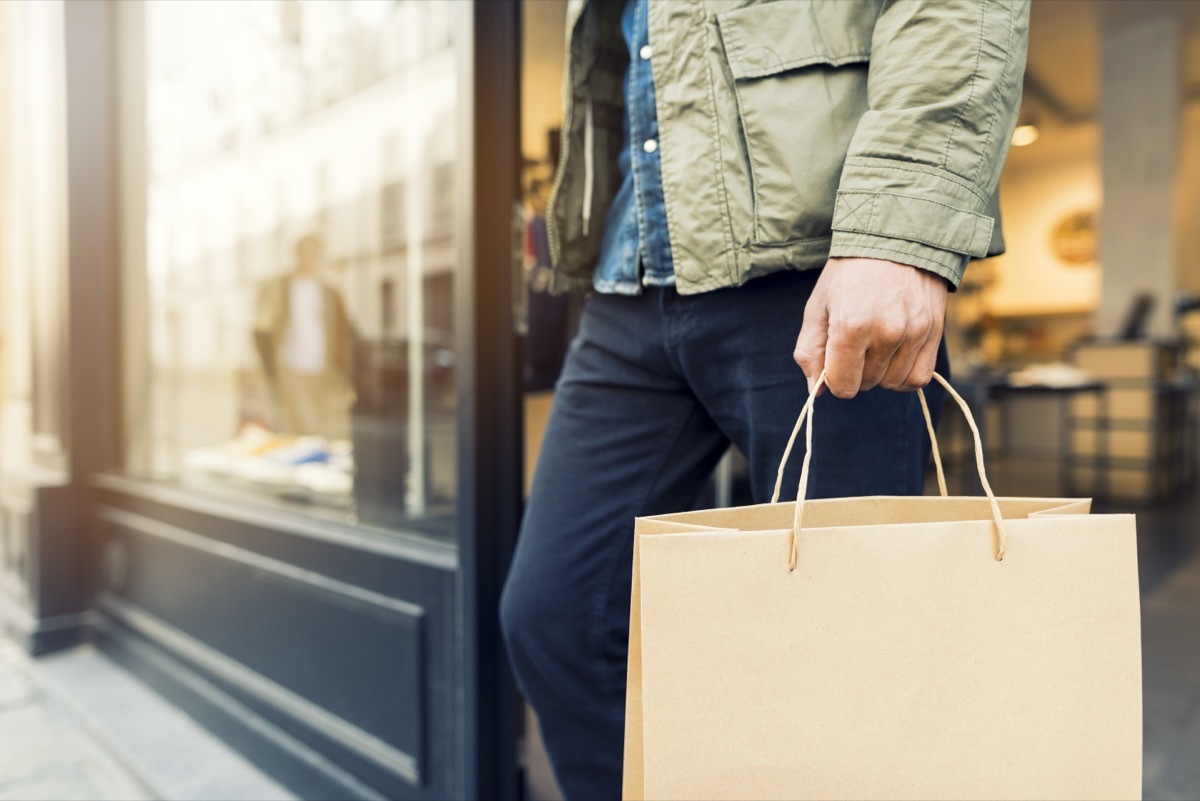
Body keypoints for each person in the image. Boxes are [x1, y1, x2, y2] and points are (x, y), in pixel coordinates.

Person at [501, 1, 1030, 798]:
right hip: (634, 271)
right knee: (556, 617)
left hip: (817, 266)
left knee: (846, 657)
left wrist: (896, 232)